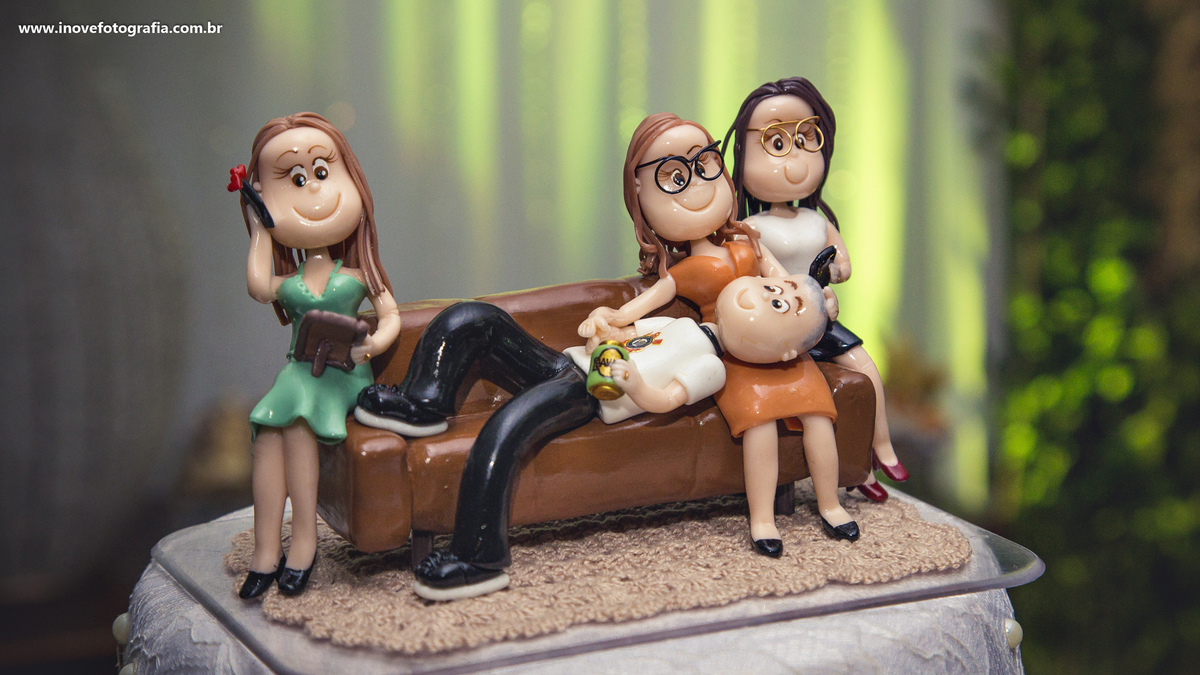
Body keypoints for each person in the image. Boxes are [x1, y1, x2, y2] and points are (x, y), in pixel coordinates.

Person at [579, 113, 858, 558]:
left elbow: (785, 280)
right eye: (676, 177)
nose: (697, 186)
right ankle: (762, 519)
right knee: (760, 428)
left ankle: (831, 505)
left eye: (704, 164)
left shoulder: (748, 242)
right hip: (736, 357)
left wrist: (819, 300)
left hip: (786, 349)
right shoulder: (683, 272)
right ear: (641, 197)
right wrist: (607, 317)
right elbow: (636, 308)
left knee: (819, 419)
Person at [353, 303, 728, 600]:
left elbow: (664, 401)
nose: (755, 295)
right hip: (564, 364)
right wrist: (601, 330)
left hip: (585, 394)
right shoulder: (679, 323)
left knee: (504, 429)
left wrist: (635, 385)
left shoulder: (712, 366)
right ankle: (423, 402)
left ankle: (478, 557)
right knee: (475, 319)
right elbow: (623, 336)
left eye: (761, 293)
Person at [235, 113, 400, 599]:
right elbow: (257, 285)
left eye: (322, 173)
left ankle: (305, 542)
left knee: (297, 424)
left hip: (344, 373)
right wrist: (260, 228)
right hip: (300, 372)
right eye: (295, 179)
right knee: (268, 431)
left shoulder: (359, 274)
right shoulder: (288, 283)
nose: (312, 191)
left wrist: (373, 343)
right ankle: (266, 549)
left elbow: (390, 316)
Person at [724, 77, 908, 502]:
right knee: (815, 408)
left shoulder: (817, 221)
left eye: (806, 139)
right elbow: (751, 280)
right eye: (776, 142)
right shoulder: (750, 228)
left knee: (866, 371)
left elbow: (842, 263)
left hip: (821, 319)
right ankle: (852, 471)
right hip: (778, 331)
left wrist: (835, 275)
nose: (796, 159)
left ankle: (880, 447)